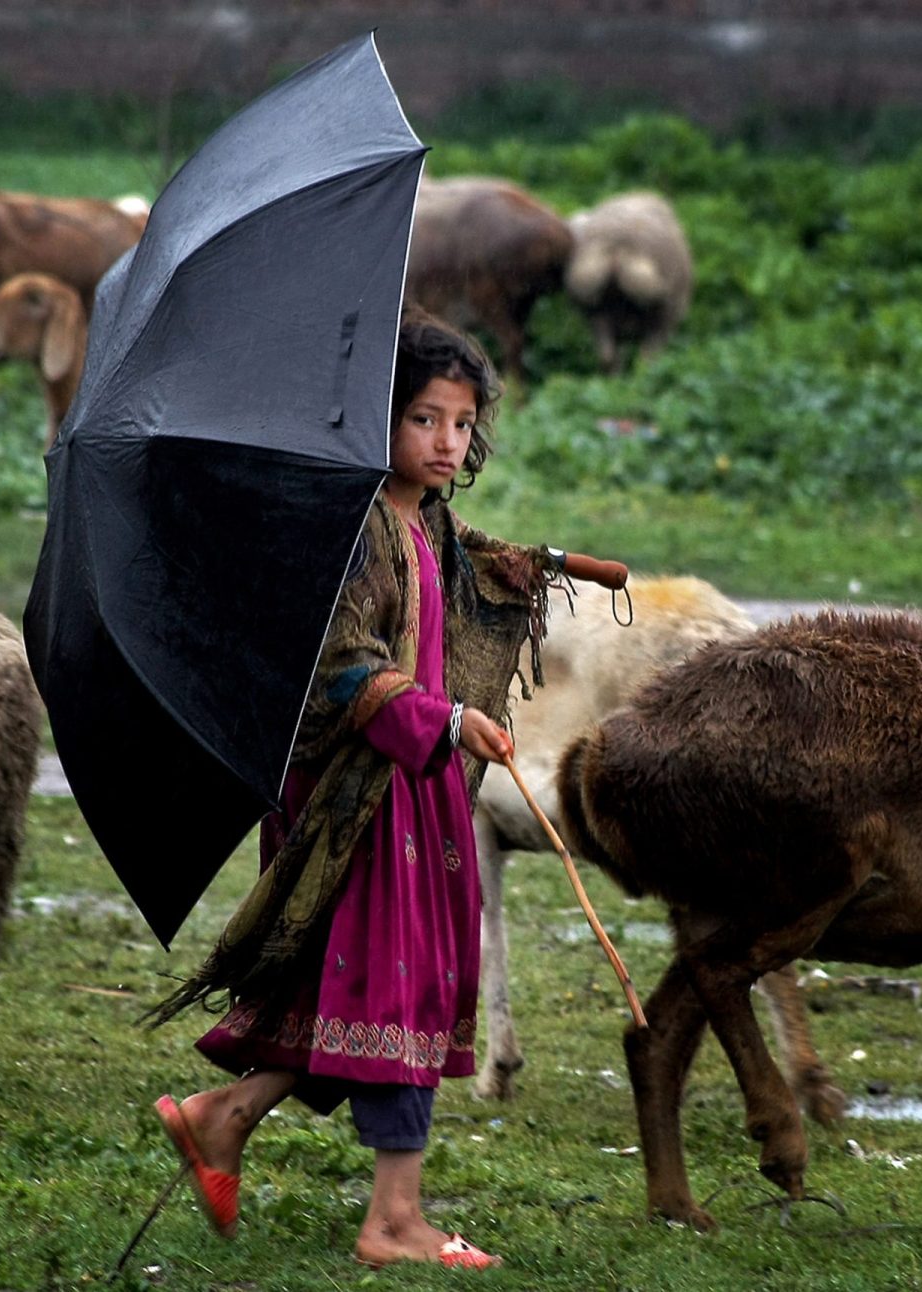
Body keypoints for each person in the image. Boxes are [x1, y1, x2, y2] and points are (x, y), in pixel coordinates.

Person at [148, 310, 559, 1270]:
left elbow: (455, 571)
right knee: (400, 990)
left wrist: (529, 570)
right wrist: (448, 724)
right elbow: (342, 668)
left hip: (404, 793)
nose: (447, 443)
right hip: (357, 798)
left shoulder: (422, 520)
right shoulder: (358, 532)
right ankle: (393, 1221)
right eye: (423, 419)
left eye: (461, 423)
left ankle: (223, 1117)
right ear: (376, 419)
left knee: (354, 984)